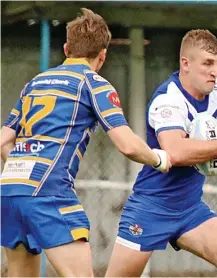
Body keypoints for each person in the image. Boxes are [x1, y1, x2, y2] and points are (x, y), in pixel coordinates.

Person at [0, 8, 171, 277]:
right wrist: (159, 159)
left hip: (10, 190)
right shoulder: (94, 84)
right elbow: (127, 144)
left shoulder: (35, 83)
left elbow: (3, 141)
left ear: (67, 48)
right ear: (102, 55)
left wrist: (23, 169)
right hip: (49, 192)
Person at [105, 29, 217, 277]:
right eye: (207, 63)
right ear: (186, 64)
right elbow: (175, 151)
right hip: (150, 208)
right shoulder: (168, 100)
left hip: (190, 209)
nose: (214, 71)